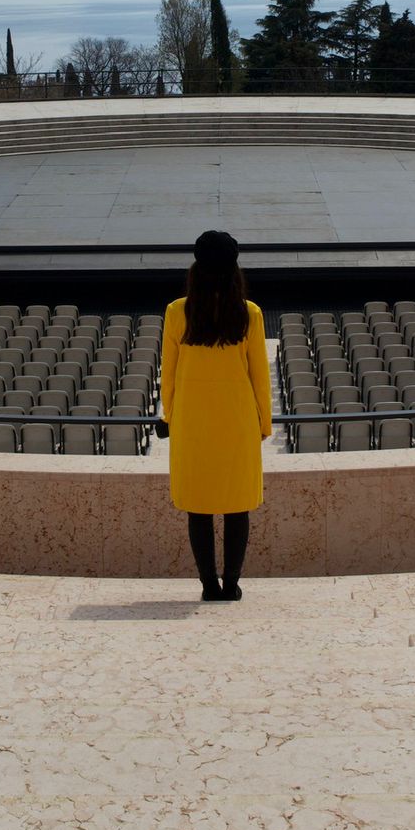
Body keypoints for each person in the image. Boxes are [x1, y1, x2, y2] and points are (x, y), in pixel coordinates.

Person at [159, 229, 271, 601]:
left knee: (199, 504)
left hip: (192, 420)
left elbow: (168, 373)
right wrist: (265, 423)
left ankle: (208, 585)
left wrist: (169, 416)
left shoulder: (177, 311)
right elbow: (259, 375)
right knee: (238, 504)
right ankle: (232, 583)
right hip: (238, 420)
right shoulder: (249, 313)